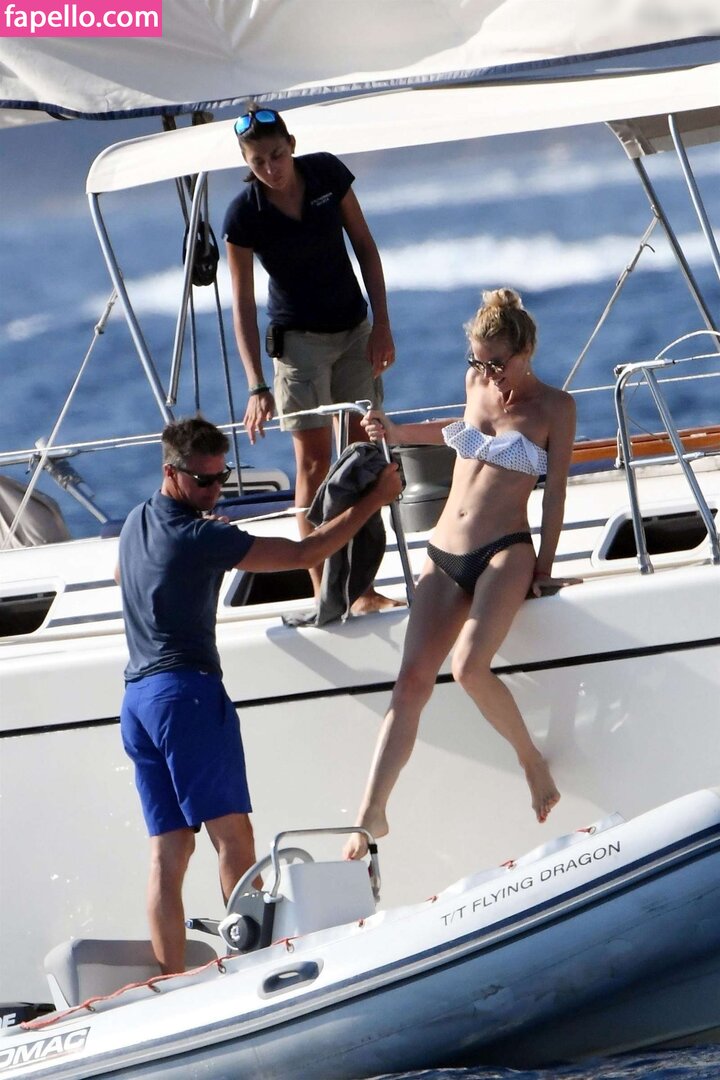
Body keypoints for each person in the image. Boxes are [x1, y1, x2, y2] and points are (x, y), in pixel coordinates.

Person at [116, 415, 401, 974]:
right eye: (203, 481)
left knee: (169, 854)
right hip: (185, 696)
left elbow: (137, 575)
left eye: (222, 478)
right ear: (171, 473)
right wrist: (375, 500)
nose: (215, 490)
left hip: (137, 700)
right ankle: (253, 969)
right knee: (235, 841)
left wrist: (199, 551)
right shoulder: (201, 537)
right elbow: (307, 553)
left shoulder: (136, 521)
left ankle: (170, 981)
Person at [344, 288, 580, 860]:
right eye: (479, 361)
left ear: (525, 352)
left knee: (469, 667)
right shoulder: (476, 383)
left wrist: (545, 567)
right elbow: (460, 428)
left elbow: (554, 495)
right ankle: (371, 813)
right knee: (410, 682)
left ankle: (530, 760)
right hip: (445, 551)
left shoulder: (556, 407)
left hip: (505, 550)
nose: (488, 372)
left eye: (497, 363)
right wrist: (398, 432)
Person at [222, 105, 400, 613]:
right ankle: (323, 589)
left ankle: (362, 589)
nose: (271, 168)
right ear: (246, 163)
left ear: (292, 146)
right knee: (315, 462)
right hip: (298, 345)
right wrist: (257, 384)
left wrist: (382, 325)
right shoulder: (243, 214)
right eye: (258, 161)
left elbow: (365, 248)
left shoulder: (325, 173)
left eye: (277, 155)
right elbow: (242, 304)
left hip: (355, 331)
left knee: (364, 454)